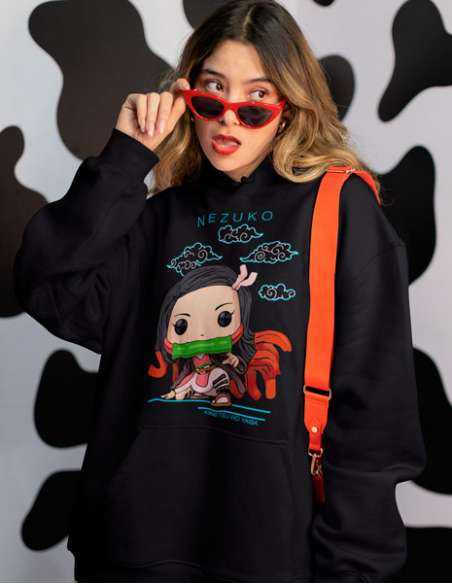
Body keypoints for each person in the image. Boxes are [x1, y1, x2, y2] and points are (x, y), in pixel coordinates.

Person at [14, 0, 427, 581]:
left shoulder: (340, 211)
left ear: (289, 107)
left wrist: (354, 568)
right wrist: (125, 160)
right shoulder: (155, 217)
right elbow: (46, 286)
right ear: (187, 97)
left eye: (256, 100)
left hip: (272, 555)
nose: (229, 118)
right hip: (134, 554)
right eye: (212, 93)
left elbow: (376, 414)